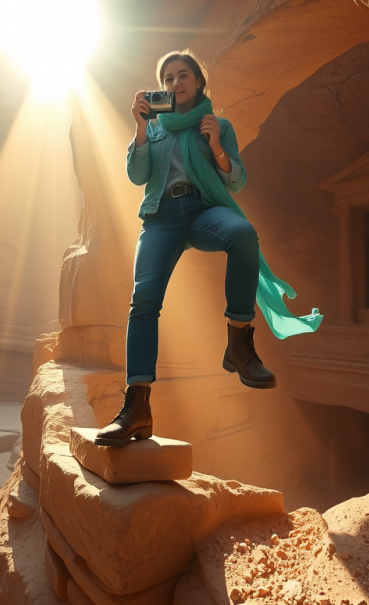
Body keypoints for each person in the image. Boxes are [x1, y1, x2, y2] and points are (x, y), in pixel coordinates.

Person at [95, 50, 322, 446]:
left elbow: (237, 181)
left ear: (198, 81)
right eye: (167, 78)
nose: (175, 83)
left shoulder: (217, 125)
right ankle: (137, 408)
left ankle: (239, 346)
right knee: (144, 300)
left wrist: (215, 143)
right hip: (162, 216)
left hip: (204, 210)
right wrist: (141, 128)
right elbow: (136, 175)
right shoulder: (156, 126)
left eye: (182, 75)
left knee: (242, 233)